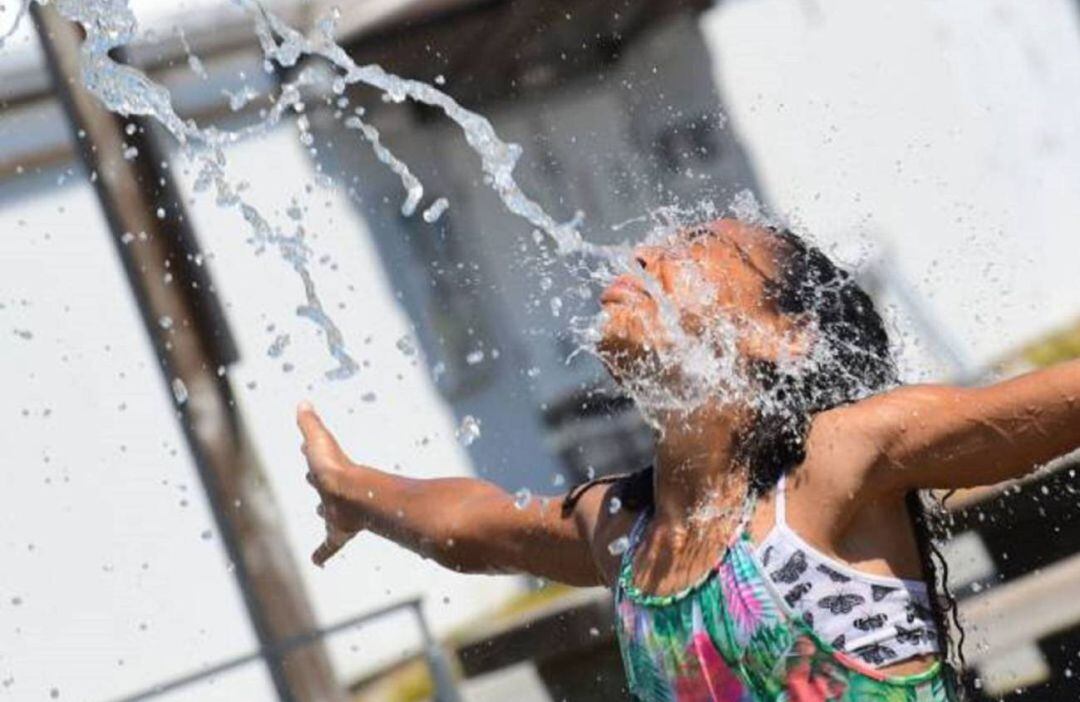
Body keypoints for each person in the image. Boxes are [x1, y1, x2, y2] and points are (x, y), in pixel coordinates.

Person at [297, 218, 1080, 701]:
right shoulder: (626, 533)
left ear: (784, 335)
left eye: (698, 246)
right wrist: (352, 489)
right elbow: (475, 527)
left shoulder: (832, 467)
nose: (644, 255)